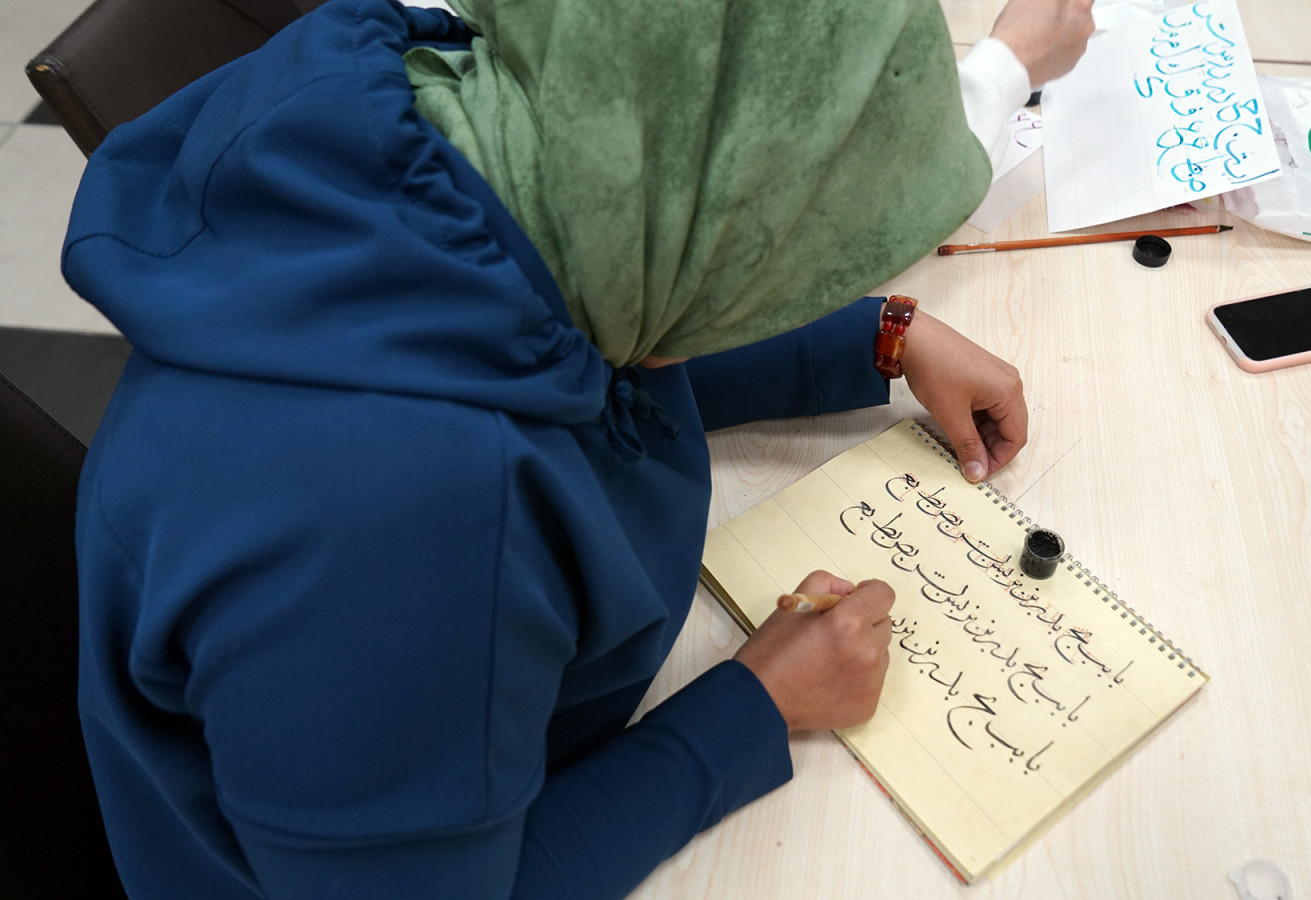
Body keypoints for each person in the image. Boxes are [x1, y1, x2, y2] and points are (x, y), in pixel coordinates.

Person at [63, 0, 1093, 896]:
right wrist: (760, 702)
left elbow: (567, 345)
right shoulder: (402, 535)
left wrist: (871, 340)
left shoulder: (434, 130)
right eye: (766, 280)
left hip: (424, 745)